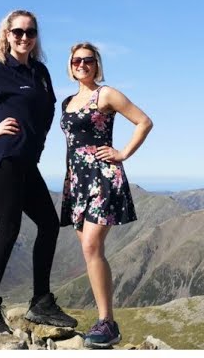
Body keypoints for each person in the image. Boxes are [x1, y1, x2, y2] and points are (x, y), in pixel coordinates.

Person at [0, 10, 76, 335]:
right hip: (4, 161)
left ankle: (41, 302)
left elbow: (48, 109)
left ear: (36, 36)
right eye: (18, 32)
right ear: (7, 34)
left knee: (50, 225)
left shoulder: (41, 72)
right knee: (8, 229)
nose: (24, 38)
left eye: (30, 32)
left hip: (27, 163)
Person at [60, 43, 153, 349]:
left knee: (91, 245)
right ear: (70, 65)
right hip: (77, 180)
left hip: (102, 175)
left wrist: (122, 152)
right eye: (77, 60)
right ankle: (104, 321)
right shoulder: (68, 102)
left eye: (88, 60)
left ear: (97, 65)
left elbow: (144, 121)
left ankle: (108, 322)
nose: (82, 64)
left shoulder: (107, 94)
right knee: (89, 252)